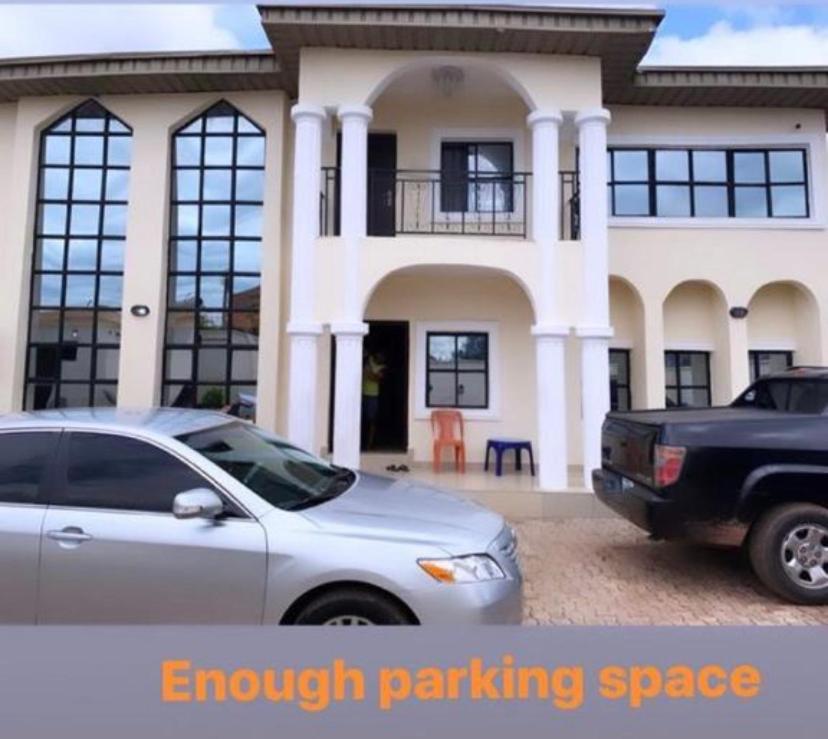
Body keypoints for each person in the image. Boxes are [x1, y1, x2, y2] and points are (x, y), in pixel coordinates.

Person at [362, 350, 386, 450]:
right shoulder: (367, 361)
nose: (381, 357)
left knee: (372, 421)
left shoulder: (383, 367)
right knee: (361, 420)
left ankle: (369, 444)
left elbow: (375, 378)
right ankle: (363, 443)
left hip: (373, 396)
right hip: (362, 394)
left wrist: (369, 370)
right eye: (380, 355)